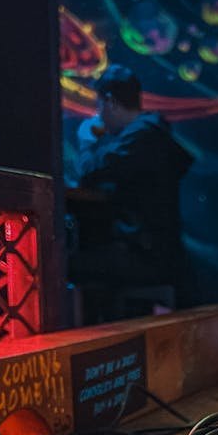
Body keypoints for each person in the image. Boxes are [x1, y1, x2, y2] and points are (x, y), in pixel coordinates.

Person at [68, 64, 193, 321]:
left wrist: (86, 142)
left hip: (145, 256)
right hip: (159, 253)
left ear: (110, 102)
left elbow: (89, 172)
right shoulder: (149, 134)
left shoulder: (141, 138)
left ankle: (91, 343)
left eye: (99, 106)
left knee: (62, 265)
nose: (99, 116)